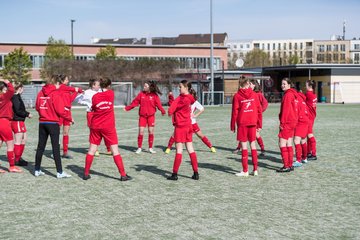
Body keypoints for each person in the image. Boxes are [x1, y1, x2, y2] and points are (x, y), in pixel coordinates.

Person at [83, 78, 131, 181]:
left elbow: (94, 107)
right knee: (115, 151)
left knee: (92, 149)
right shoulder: (111, 94)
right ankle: (123, 175)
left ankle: (86, 173)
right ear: (109, 85)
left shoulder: (95, 96)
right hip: (108, 126)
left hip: (96, 125)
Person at [34, 75, 73, 178]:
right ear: (56, 83)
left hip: (42, 123)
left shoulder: (40, 92)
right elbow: (60, 110)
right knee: (55, 148)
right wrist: (69, 118)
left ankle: (37, 170)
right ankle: (59, 172)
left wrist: (44, 113)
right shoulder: (55, 93)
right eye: (59, 84)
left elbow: (37, 107)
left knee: (40, 147)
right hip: (53, 123)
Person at [167, 80, 199, 181]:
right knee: (190, 149)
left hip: (180, 127)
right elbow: (192, 101)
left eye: (180, 87)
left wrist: (171, 99)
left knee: (179, 150)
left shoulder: (181, 98)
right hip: (189, 126)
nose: (179, 88)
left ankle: (175, 174)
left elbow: (171, 110)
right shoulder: (190, 97)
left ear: (186, 87)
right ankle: (196, 173)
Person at [124, 80, 166, 154]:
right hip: (142, 116)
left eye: (146, 86)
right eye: (144, 86)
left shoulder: (154, 96)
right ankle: (139, 148)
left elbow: (159, 105)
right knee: (141, 131)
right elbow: (135, 103)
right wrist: (127, 108)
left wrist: (162, 111)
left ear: (150, 87)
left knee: (151, 131)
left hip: (151, 116)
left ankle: (150, 148)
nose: (144, 87)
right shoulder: (141, 94)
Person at [230, 77, 261, 177]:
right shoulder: (254, 94)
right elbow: (259, 110)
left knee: (244, 147)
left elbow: (235, 112)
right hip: (253, 123)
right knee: (253, 145)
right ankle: (255, 170)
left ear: (240, 84)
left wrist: (232, 125)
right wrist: (259, 124)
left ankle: (245, 170)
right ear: (248, 83)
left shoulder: (237, 96)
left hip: (243, 124)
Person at [75, 79, 111, 156]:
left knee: (104, 130)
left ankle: (108, 149)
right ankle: (95, 149)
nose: (99, 86)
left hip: (100, 113)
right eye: (98, 85)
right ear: (93, 85)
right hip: (91, 113)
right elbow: (77, 100)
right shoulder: (87, 92)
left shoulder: (101, 91)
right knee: (93, 131)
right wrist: (87, 104)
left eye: (99, 85)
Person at [58, 75, 83, 159]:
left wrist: (77, 92)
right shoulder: (61, 87)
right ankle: (56, 151)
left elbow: (71, 99)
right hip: (61, 112)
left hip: (68, 112)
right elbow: (73, 89)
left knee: (66, 133)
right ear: (62, 81)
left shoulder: (67, 89)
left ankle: (65, 152)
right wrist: (77, 89)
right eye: (66, 80)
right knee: (56, 132)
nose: (67, 81)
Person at [0, 79, 22, 173]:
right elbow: (12, 90)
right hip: (4, 122)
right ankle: (12, 166)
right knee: (10, 145)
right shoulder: (4, 97)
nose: (6, 91)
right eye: (5, 89)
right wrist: (6, 81)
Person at [276, 78, 298, 173]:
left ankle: (286, 165)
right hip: (292, 121)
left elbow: (286, 110)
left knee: (282, 143)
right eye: (282, 84)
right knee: (289, 143)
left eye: (284, 84)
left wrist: (282, 123)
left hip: (287, 122)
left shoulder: (288, 95)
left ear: (289, 85)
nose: (283, 85)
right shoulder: (292, 94)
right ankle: (290, 165)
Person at [11, 82, 32, 166]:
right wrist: (27, 114)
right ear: (19, 88)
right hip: (17, 121)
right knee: (18, 140)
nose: (23, 89)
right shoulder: (15, 97)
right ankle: (17, 160)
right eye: (22, 88)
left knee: (24, 139)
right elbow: (17, 110)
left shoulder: (17, 97)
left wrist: (26, 113)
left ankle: (18, 157)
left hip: (20, 121)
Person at [249, 79, 268, 156]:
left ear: (254, 85)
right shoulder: (249, 93)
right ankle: (239, 147)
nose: (249, 85)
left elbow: (265, 103)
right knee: (248, 132)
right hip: (249, 116)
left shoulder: (258, 94)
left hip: (255, 118)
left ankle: (263, 149)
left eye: (250, 84)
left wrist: (259, 111)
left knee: (255, 134)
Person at [293, 90, 309, 167]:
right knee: (303, 140)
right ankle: (305, 158)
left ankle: (298, 160)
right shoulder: (302, 98)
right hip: (306, 120)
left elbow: (295, 111)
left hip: (301, 120)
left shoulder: (296, 98)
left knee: (296, 140)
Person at [305, 80, 318, 161]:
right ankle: (309, 152)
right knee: (308, 134)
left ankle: (313, 154)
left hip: (309, 117)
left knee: (310, 134)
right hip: (312, 116)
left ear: (310, 86)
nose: (305, 86)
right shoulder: (313, 94)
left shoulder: (308, 94)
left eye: (306, 85)